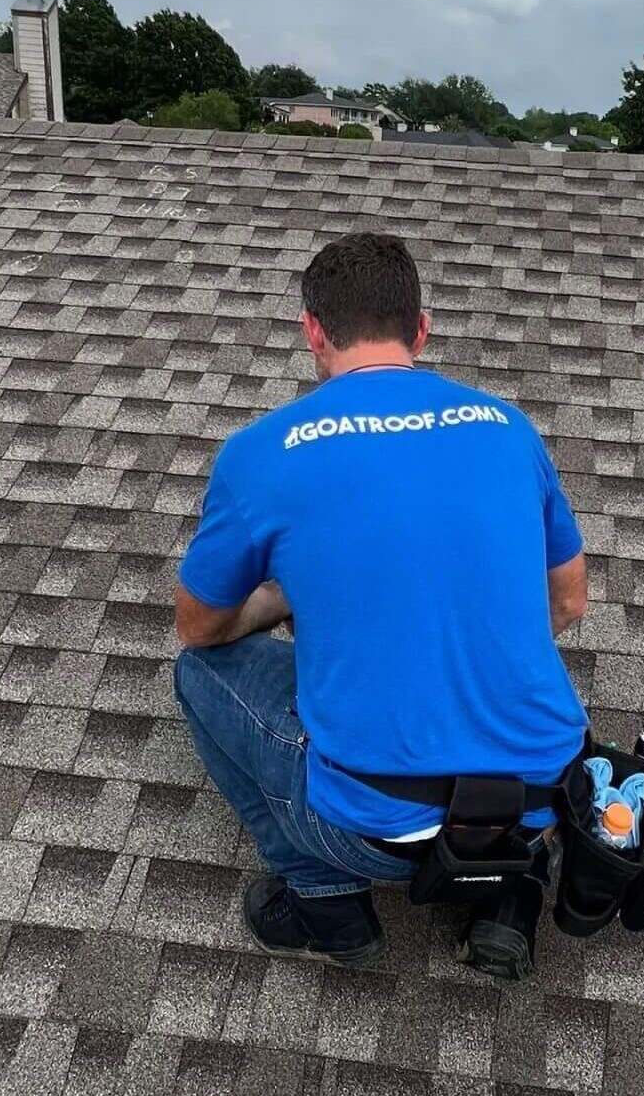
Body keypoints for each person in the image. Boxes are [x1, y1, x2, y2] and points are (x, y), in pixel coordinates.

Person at [172, 231, 590, 975]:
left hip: (371, 829)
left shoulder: (262, 452)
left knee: (196, 674)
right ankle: (510, 891)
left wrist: (282, 602)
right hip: (541, 811)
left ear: (312, 331)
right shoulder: (507, 426)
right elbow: (568, 602)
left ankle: (322, 896)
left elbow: (198, 626)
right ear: (420, 329)